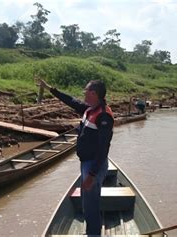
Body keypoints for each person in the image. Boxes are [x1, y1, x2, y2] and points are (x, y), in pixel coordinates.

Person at [38, 79, 114, 235]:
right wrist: (51, 89)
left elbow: (103, 148)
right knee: (87, 203)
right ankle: (92, 231)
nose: (83, 93)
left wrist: (92, 175)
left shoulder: (104, 116)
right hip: (86, 163)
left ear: (93, 93)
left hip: (93, 165)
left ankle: (93, 233)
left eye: (85, 91)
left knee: (91, 204)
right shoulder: (90, 109)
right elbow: (71, 101)